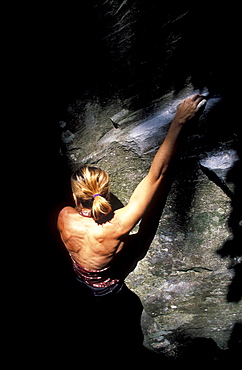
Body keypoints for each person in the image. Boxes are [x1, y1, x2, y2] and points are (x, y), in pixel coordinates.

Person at [57, 94, 205, 298]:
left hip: (78, 280)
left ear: (76, 196)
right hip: (106, 291)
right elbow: (157, 175)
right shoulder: (118, 225)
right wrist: (179, 121)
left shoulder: (63, 216)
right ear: (105, 192)